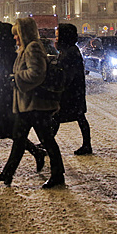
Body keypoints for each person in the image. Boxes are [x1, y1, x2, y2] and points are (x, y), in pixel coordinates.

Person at [0, 17, 65, 188]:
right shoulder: (25, 49)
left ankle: (57, 174)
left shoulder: (33, 48)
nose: (15, 38)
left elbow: (36, 74)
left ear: (24, 33)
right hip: (28, 104)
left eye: (17, 34)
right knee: (20, 139)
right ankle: (8, 174)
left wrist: (15, 78)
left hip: (36, 105)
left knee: (45, 140)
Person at [0, 22, 46, 175]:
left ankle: (36, 153)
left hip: (4, 97)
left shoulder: (9, 55)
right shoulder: (1, 54)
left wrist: (1, 79)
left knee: (10, 131)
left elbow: (11, 76)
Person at [50, 23, 92, 155]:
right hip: (74, 91)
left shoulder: (70, 52)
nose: (56, 39)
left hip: (71, 92)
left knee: (60, 116)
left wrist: (60, 86)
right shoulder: (69, 50)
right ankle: (86, 144)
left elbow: (67, 73)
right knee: (77, 117)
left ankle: (48, 141)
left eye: (58, 36)